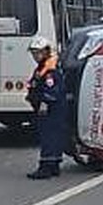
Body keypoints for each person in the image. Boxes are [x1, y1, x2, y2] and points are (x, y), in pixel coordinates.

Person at [25, 36, 68, 179]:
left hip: (51, 109)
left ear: (46, 52)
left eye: (38, 52)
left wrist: (43, 103)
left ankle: (46, 167)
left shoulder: (50, 70)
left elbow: (52, 91)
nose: (35, 56)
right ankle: (53, 165)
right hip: (49, 108)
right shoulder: (43, 67)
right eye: (33, 53)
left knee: (49, 137)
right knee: (52, 136)